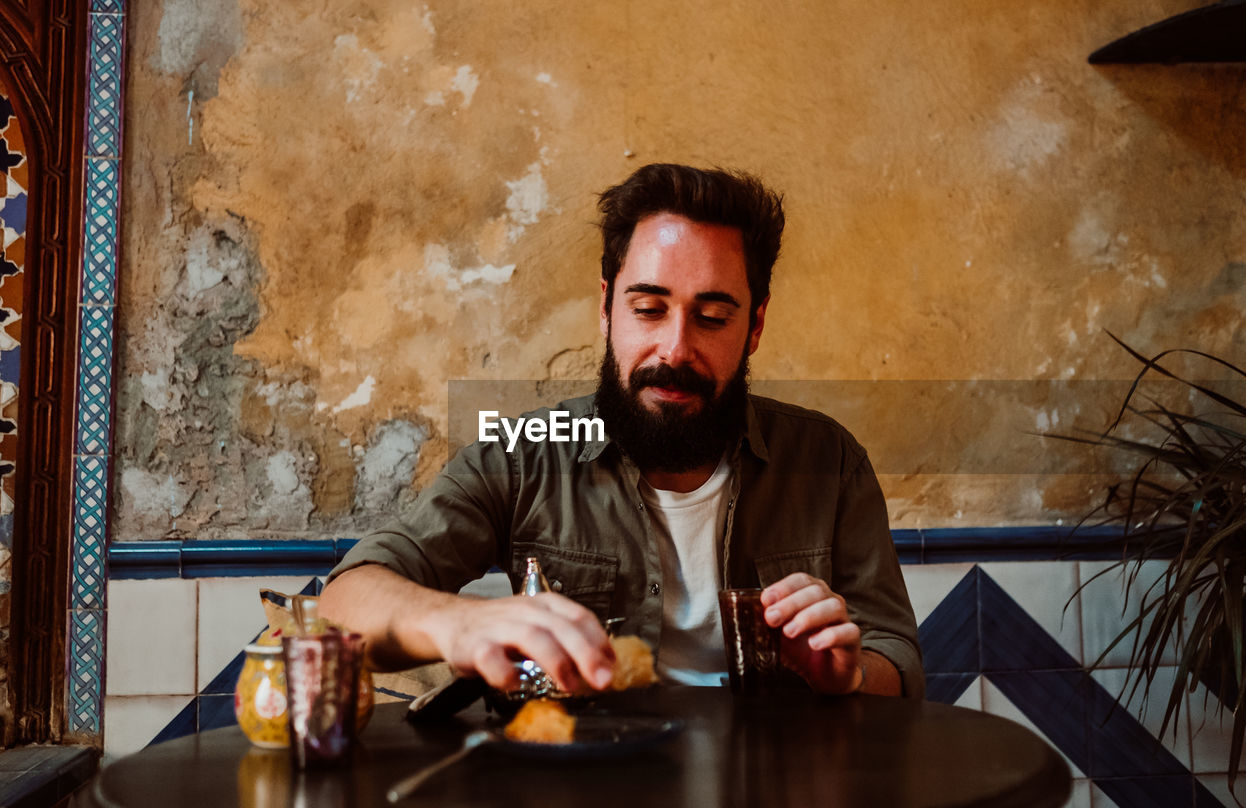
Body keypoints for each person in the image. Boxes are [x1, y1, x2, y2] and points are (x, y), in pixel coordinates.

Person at [319, 163, 923, 698]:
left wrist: (849, 677)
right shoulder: (523, 457)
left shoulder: (830, 461)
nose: (676, 348)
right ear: (606, 309)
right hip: (582, 803)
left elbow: (896, 656)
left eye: (712, 317)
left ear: (756, 326)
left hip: (779, 804)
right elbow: (344, 601)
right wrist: (461, 625)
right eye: (648, 309)